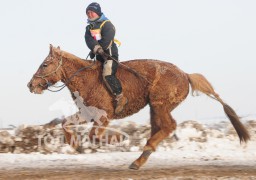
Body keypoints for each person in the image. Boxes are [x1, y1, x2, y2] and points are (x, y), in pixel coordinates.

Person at [84, 2, 127, 114]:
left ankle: (120, 97)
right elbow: (89, 40)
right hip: (98, 56)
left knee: (107, 73)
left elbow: (107, 40)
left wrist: (99, 48)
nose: (89, 14)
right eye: (87, 13)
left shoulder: (107, 24)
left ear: (97, 12)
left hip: (110, 56)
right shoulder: (89, 27)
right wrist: (95, 49)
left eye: (91, 12)